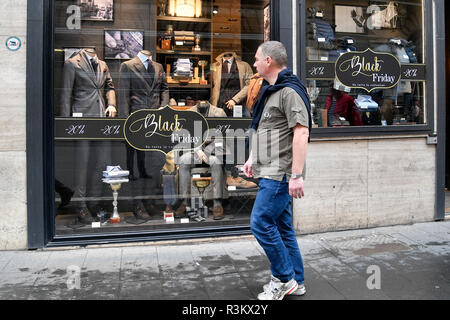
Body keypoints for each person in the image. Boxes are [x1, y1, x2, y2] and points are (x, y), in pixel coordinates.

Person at [243, 41, 311, 300]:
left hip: (280, 173)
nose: (254, 63)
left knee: (260, 222)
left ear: (269, 60)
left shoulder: (289, 92)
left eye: (257, 58)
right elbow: (263, 129)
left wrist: (296, 175)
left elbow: (301, 132)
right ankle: (298, 280)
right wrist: (252, 158)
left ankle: (283, 278)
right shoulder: (270, 91)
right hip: (268, 169)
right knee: (283, 228)